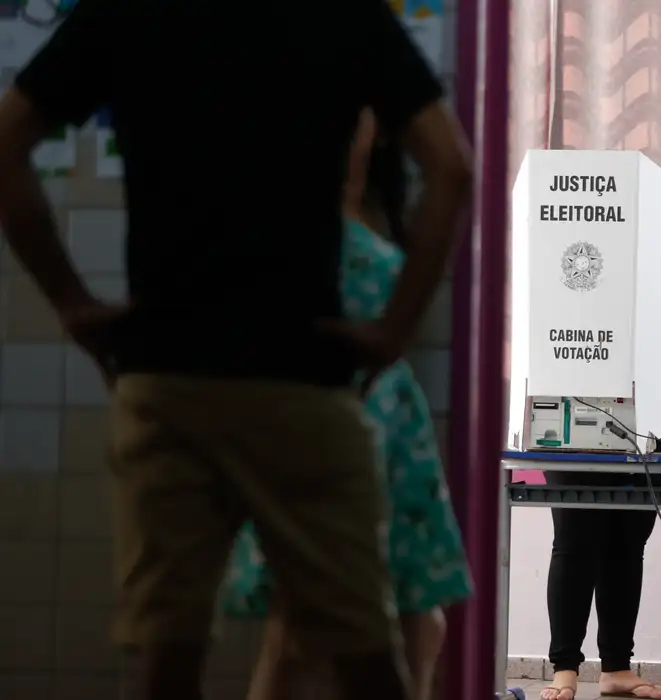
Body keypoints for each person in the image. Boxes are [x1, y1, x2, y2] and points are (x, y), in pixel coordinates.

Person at [0, 2, 472, 699]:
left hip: (168, 379)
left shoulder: (128, 15)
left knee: (167, 661)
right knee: (367, 657)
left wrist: (72, 301)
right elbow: (452, 170)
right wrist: (394, 328)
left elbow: (7, 140)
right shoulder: (343, 15)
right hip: (301, 382)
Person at [220, 107, 473, 700]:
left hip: (387, 439)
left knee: (417, 623)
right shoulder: (281, 231)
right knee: (299, 635)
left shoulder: (368, 211)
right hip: (320, 435)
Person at [540, 270, 661, 700]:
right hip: (572, 413)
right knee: (575, 542)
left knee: (626, 545)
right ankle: (564, 670)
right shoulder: (568, 244)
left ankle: (617, 667)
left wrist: (642, 346)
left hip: (650, 420)